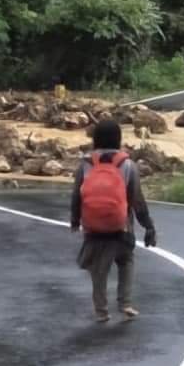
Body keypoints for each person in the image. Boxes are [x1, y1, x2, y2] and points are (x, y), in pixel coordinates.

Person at [71, 120, 157, 323]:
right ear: (118, 138)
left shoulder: (86, 163)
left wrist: (75, 220)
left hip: (93, 228)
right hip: (122, 227)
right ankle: (125, 302)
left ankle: (101, 310)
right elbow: (137, 199)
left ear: (96, 139)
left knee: (98, 270)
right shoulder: (127, 164)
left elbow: (77, 195)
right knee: (126, 261)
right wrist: (148, 225)